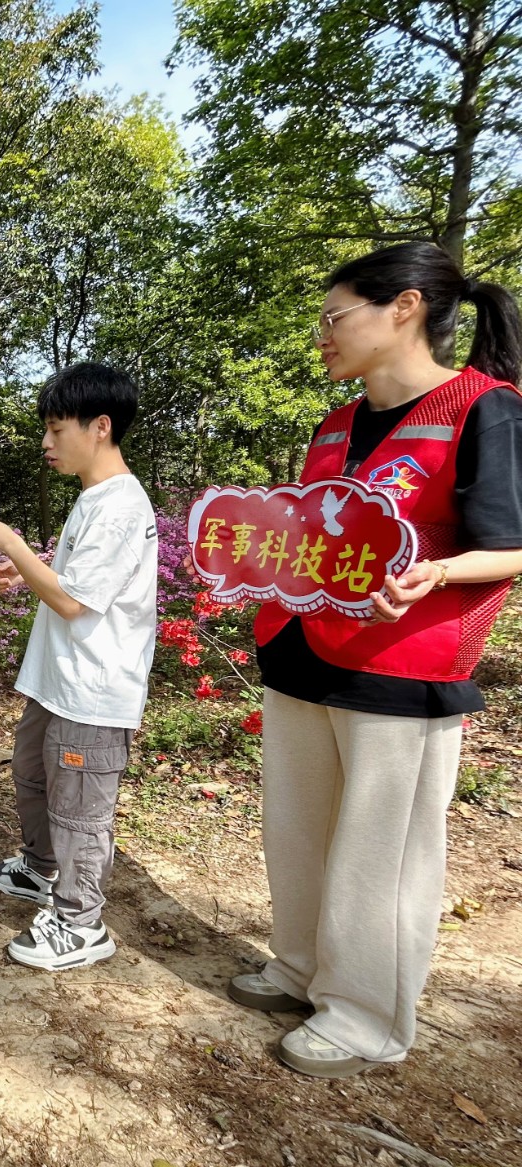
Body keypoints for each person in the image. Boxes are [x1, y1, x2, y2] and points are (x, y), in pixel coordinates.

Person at [234, 242, 522, 1078]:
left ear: (403, 309)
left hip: (402, 667)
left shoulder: (484, 409)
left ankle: (365, 1013)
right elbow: (302, 532)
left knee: (379, 852)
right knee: (296, 829)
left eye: (335, 318)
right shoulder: (334, 424)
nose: (322, 335)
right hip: (301, 651)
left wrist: (435, 570)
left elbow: (510, 545)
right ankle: (299, 968)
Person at [0, 363, 157, 971]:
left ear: (99, 427)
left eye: (56, 429)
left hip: (94, 690)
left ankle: (81, 923)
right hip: (58, 680)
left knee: (79, 803)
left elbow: (75, 603)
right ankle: (41, 868)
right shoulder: (91, 499)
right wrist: (22, 569)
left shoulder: (122, 507)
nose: (46, 443)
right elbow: (73, 585)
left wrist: (15, 547)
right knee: (32, 771)